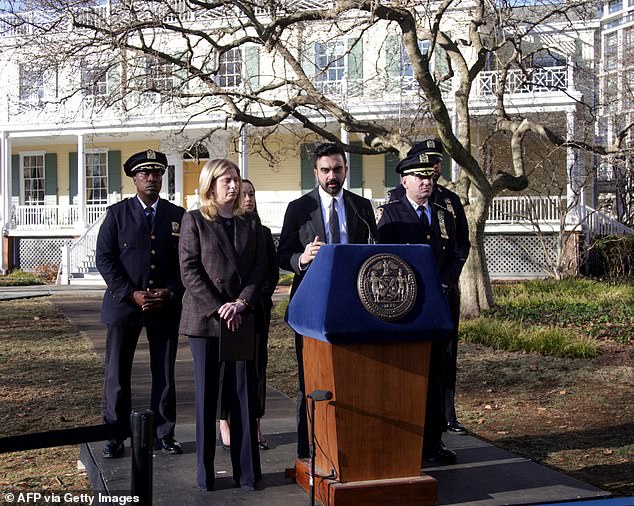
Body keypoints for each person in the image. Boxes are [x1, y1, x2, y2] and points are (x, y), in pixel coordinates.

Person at [277, 142, 377, 459]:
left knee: (353, 374)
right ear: (316, 172)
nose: (331, 176)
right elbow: (282, 254)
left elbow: (373, 249)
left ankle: (349, 441)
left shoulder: (362, 207)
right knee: (311, 376)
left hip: (353, 305)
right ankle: (308, 446)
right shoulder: (298, 208)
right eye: (325, 170)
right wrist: (302, 258)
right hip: (312, 306)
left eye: (337, 169)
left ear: (346, 170)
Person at [179, 159, 266, 491]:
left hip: (241, 318)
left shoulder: (251, 222)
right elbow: (190, 271)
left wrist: (242, 303)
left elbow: (260, 268)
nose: (233, 186)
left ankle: (247, 474)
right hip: (205, 320)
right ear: (210, 185)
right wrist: (219, 308)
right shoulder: (194, 221)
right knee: (207, 397)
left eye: (237, 180)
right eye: (226, 180)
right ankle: (206, 475)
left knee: (242, 396)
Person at [376, 150, 464, 464]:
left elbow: (456, 250)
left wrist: (444, 281)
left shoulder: (443, 210)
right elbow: (384, 258)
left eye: (430, 176)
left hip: (438, 302)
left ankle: (433, 440)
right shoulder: (391, 212)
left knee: (437, 371)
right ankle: (403, 440)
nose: (426, 182)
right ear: (405, 181)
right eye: (419, 177)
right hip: (406, 306)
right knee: (407, 371)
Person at [96, 149, 185, 459]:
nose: (152, 179)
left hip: (164, 306)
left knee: (164, 372)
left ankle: (164, 433)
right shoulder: (117, 214)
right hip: (124, 306)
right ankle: (115, 434)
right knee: (117, 374)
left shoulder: (177, 216)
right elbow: (104, 259)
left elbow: (186, 262)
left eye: (157, 173)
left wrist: (170, 292)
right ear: (134, 179)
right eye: (145, 174)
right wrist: (130, 293)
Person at [218, 179, 279, 450]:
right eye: (244, 194)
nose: (248, 199)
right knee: (225, 368)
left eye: (252, 194)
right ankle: (225, 422)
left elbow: (270, 273)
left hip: (255, 310)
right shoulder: (223, 229)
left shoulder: (262, 232)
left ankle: (254, 422)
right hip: (225, 310)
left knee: (256, 369)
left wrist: (252, 300)